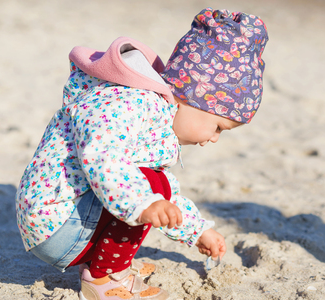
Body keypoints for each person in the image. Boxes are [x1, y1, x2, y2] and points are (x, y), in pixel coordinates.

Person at [15, 7, 268, 300]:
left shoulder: (155, 112)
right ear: (196, 97)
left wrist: (197, 231)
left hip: (66, 218)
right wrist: (143, 202)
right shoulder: (130, 104)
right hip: (55, 222)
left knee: (153, 185)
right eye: (218, 127)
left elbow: (165, 196)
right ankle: (101, 278)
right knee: (149, 186)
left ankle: (109, 266)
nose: (213, 139)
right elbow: (101, 157)